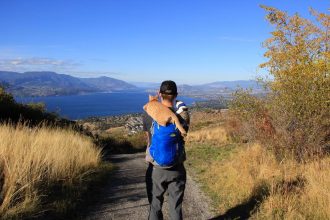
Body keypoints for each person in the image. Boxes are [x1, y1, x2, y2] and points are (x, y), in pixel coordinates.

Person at [143, 80, 190, 220]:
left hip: (155, 169)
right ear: (176, 95)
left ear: (159, 94)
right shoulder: (182, 117)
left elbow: (148, 139)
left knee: (155, 206)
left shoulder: (148, 113)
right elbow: (184, 134)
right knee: (175, 207)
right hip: (177, 167)